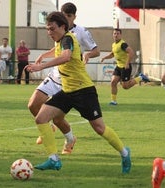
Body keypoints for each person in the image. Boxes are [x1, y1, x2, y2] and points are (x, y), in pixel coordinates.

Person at [25, 11, 131, 173]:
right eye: (47, 29)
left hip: (83, 91)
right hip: (67, 91)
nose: (49, 32)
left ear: (62, 26)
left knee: (99, 128)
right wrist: (43, 56)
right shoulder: (60, 41)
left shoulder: (68, 39)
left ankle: (124, 153)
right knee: (41, 118)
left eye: (52, 29)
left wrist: (41, 66)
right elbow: (60, 53)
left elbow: (66, 57)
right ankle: (53, 159)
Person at [28, 2, 100, 155]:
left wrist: (87, 54)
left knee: (58, 119)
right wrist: (44, 55)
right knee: (33, 105)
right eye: (63, 15)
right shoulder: (57, 28)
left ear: (74, 17)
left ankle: (69, 139)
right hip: (55, 74)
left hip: (70, 81)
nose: (66, 19)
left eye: (69, 16)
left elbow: (96, 50)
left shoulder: (81, 32)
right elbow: (58, 48)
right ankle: (48, 129)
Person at [101, 28, 150, 105]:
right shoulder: (114, 44)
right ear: (113, 35)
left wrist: (127, 63)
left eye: (117, 33)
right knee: (113, 82)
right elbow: (112, 54)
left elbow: (131, 52)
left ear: (120, 35)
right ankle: (113, 101)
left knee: (125, 86)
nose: (116, 35)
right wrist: (104, 58)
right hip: (118, 67)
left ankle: (140, 77)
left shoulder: (123, 44)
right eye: (114, 33)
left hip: (125, 67)